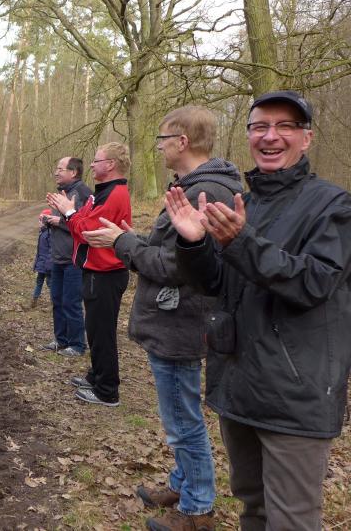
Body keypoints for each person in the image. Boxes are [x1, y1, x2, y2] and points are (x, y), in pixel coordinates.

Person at [166, 91, 351, 530]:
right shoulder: (245, 203)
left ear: (306, 138)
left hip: (294, 395)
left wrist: (241, 242)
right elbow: (216, 284)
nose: (271, 136)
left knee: (290, 520)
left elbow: (314, 282)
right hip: (239, 386)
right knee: (253, 507)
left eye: (285, 126)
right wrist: (193, 244)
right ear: (248, 136)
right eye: (260, 127)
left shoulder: (334, 205)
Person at [83, 107, 242, 531]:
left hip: (181, 324)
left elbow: (176, 267)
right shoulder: (193, 186)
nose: (158, 147)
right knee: (178, 415)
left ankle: (197, 508)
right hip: (176, 321)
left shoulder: (205, 192)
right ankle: (182, 483)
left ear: (182, 141)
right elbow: (168, 250)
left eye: (162, 139)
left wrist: (122, 241)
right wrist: (127, 240)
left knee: (183, 421)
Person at [47, 142, 132, 406]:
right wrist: (71, 214)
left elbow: (87, 232)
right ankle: (97, 376)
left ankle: (107, 390)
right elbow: (80, 223)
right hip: (95, 270)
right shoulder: (102, 192)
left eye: (97, 161)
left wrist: (69, 212)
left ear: (111, 164)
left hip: (106, 272)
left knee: (103, 333)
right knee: (95, 331)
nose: (92, 165)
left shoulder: (115, 194)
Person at [40, 157, 92, 357]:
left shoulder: (82, 193)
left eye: (60, 169)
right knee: (57, 300)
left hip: (74, 259)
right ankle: (60, 340)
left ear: (73, 172)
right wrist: (47, 221)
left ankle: (77, 345)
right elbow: (62, 221)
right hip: (58, 257)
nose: (56, 172)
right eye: (56, 168)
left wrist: (59, 222)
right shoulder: (63, 193)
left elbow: (86, 226)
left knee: (71, 302)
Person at [31, 208, 53, 308]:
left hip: (48, 266)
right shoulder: (42, 232)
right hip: (41, 264)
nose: (39, 222)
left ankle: (54, 302)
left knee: (50, 284)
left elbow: (51, 250)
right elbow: (39, 251)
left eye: (40, 220)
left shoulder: (50, 233)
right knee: (39, 281)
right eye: (39, 220)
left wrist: (49, 265)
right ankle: (34, 300)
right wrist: (36, 264)